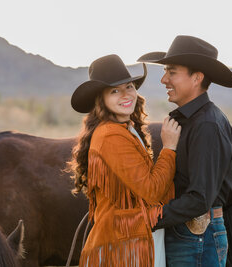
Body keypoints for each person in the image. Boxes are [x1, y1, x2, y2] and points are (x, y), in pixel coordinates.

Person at [68, 54, 181, 266]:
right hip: (124, 249)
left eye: (128, 86)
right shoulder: (111, 135)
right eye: (114, 91)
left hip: (130, 241)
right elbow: (152, 190)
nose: (125, 94)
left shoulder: (125, 129)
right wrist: (169, 148)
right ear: (100, 99)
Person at [138, 35, 232, 266]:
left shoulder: (207, 125)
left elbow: (199, 199)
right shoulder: (188, 121)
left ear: (197, 78)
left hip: (196, 236)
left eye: (172, 72)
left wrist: (145, 219)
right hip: (188, 233)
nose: (164, 79)